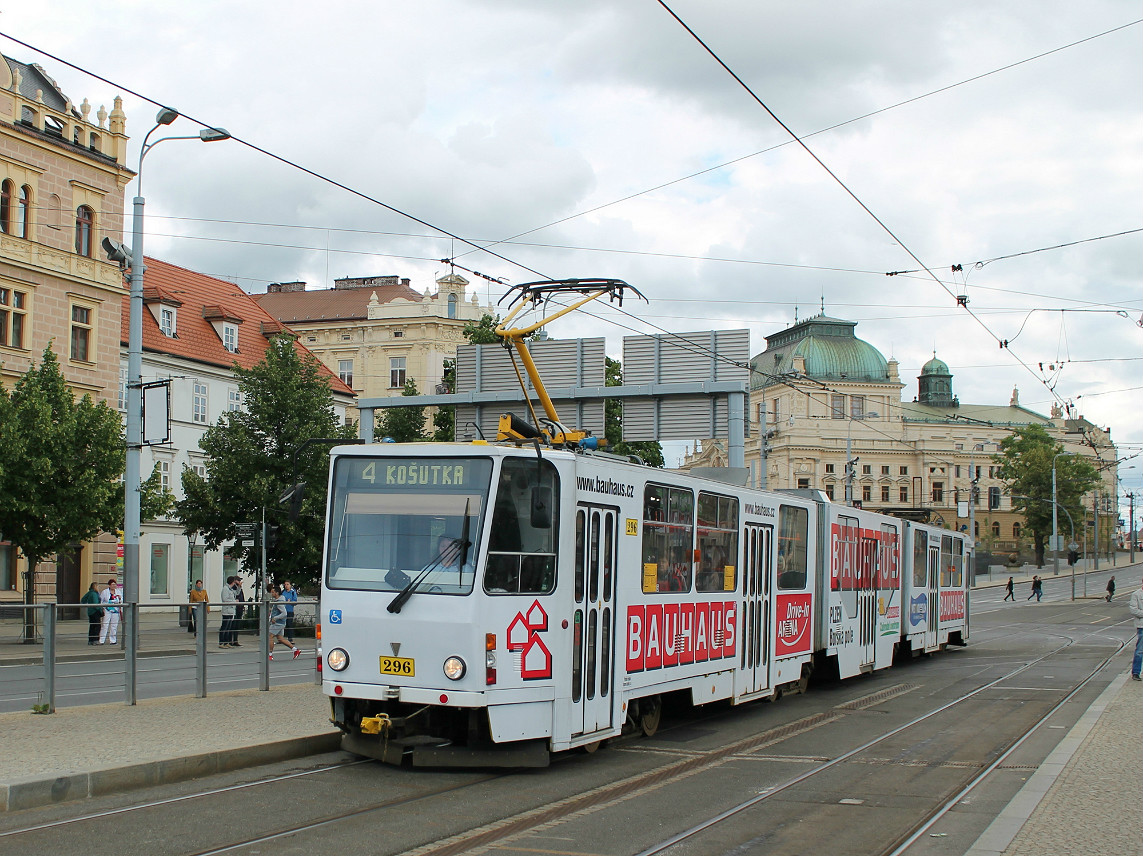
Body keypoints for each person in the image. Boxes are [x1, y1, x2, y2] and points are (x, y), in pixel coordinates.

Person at [267, 585, 301, 661]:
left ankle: (270, 654)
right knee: (280, 639)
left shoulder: (279, 602)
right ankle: (295, 650)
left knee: (270, 636)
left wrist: (275, 618)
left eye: (273, 592)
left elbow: (284, 613)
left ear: (276, 593)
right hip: (280, 623)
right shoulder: (279, 600)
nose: (271, 594)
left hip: (278, 623)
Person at [98, 578, 122, 644]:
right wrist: (103, 607)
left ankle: (113, 640)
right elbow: (101, 601)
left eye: (115, 584)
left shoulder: (118, 592)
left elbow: (121, 601)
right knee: (105, 625)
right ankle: (102, 640)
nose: (114, 586)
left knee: (114, 626)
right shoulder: (105, 592)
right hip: (107, 610)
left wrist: (119, 599)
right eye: (112, 584)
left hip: (115, 611)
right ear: (109, 585)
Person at [1129, 579, 1143, 680]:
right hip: (1142, 626)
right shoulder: (1136, 594)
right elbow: (1133, 610)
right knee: (1140, 650)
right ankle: (1136, 672)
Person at [219, 575, 238, 648]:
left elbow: (237, 593)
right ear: (232, 582)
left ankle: (226, 642)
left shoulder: (230, 589)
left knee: (228, 627)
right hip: (227, 610)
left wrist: (239, 586)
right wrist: (234, 601)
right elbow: (225, 599)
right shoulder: (225, 589)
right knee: (224, 627)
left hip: (231, 610)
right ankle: (221, 642)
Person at [281, 579, 297, 644]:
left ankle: (290, 638)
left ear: (290, 585)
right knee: (282, 624)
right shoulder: (283, 592)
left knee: (289, 624)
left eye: (287, 584)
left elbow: (295, 601)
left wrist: (290, 602)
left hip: (289, 610)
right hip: (283, 610)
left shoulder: (293, 592)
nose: (286, 586)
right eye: (285, 585)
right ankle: (281, 638)